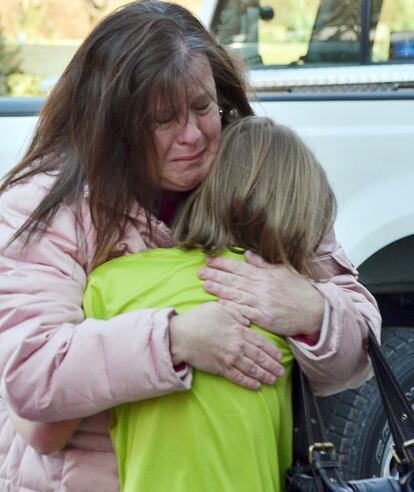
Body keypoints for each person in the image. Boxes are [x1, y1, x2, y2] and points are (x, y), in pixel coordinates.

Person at [0, 1, 380, 491]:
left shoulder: (257, 177)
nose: (193, 135)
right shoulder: (46, 203)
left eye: (203, 108)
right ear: (111, 124)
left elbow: (363, 344)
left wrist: (311, 312)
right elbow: (33, 375)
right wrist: (176, 339)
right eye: (162, 120)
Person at [81, 116, 336, 492]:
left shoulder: (111, 282)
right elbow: (356, 349)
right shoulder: (282, 306)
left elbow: (45, 423)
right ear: (304, 218)